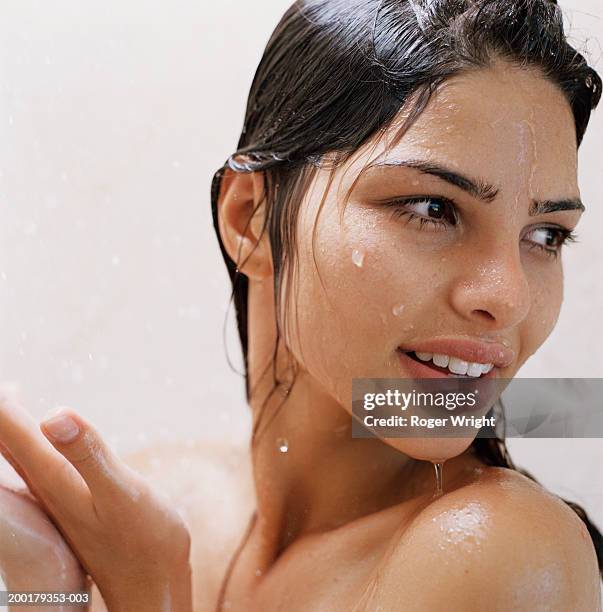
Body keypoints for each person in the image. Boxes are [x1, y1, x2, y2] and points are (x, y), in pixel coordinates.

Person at [1, 0, 602, 610]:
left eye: (546, 235)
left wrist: (147, 595)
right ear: (251, 220)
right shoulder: (155, 502)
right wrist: (47, 591)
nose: (508, 297)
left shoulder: (498, 551)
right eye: (432, 209)